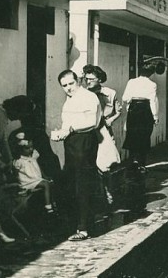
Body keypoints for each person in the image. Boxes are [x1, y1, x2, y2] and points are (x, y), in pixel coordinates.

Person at [52, 70, 103, 242]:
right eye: (64, 86)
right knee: (72, 182)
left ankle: (84, 228)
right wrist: (61, 133)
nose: (68, 88)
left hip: (85, 142)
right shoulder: (69, 100)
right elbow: (67, 122)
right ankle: (77, 224)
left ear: (78, 81)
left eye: (71, 84)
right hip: (72, 143)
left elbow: (92, 122)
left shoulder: (88, 97)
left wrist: (70, 129)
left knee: (83, 183)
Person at [0, 96, 31, 244]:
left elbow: (2, 141)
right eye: (21, 115)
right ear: (16, 110)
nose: (19, 119)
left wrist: (9, 162)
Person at [83, 65, 121, 204]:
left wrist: (111, 120)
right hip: (90, 131)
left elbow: (118, 111)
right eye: (86, 79)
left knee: (105, 166)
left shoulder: (110, 93)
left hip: (105, 131)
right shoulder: (83, 94)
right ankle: (98, 194)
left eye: (91, 79)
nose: (88, 82)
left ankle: (108, 191)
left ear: (99, 79)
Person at [121, 63, 159, 170]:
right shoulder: (152, 84)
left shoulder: (131, 82)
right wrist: (155, 116)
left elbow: (125, 98)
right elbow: (152, 101)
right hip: (145, 110)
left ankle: (133, 161)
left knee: (132, 135)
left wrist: (131, 101)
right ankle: (142, 164)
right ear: (151, 73)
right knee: (144, 136)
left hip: (133, 110)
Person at [12, 138, 54, 214]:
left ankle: (52, 202)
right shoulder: (19, 161)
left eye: (32, 147)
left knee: (50, 182)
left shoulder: (33, 155)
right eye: (27, 148)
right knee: (45, 184)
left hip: (36, 178)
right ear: (20, 149)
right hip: (28, 181)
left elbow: (38, 166)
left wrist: (44, 176)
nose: (30, 149)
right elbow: (16, 173)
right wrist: (19, 184)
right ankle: (48, 206)